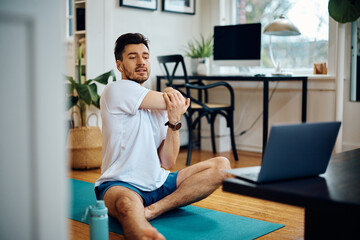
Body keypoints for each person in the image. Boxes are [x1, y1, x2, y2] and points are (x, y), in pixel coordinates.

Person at [95, 33, 231, 240]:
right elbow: (180, 101)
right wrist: (170, 92)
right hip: (120, 184)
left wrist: (174, 121)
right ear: (119, 65)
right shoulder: (116, 90)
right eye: (133, 57)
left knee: (222, 166)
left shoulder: (158, 105)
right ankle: (142, 233)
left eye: (146, 56)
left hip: (159, 182)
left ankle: (154, 209)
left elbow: (167, 161)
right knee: (126, 205)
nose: (141, 62)